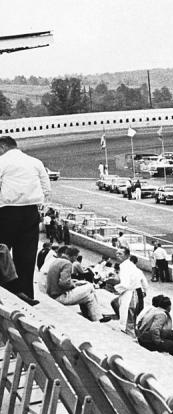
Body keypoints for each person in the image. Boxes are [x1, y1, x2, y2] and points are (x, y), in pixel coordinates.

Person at [0, 136, 51, 302]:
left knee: (3, 253)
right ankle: (26, 293)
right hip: (31, 212)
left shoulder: (2, 162)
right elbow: (46, 187)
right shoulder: (35, 162)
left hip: (7, 212)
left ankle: (8, 292)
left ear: (2, 147)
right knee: (27, 255)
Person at [46, 246, 106, 321]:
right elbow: (64, 284)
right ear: (74, 256)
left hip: (52, 294)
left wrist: (74, 282)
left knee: (90, 297)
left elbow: (61, 280)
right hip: (59, 296)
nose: (76, 259)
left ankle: (98, 318)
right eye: (76, 257)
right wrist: (74, 285)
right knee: (90, 286)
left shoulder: (57, 260)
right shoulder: (67, 263)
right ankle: (96, 314)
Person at [136, 295, 173, 360]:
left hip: (144, 337)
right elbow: (154, 329)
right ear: (168, 306)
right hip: (147, 340)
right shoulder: (162, 314)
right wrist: (159, 342)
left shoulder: (154, 310)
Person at [117, 251, 148, 332]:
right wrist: (145, 291)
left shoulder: (126, 268)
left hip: (130, 290)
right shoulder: (138, 271)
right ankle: (135, 326)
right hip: (138, 290)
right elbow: (145, 283)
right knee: (138, 310)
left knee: (129, 308)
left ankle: (127, 325)